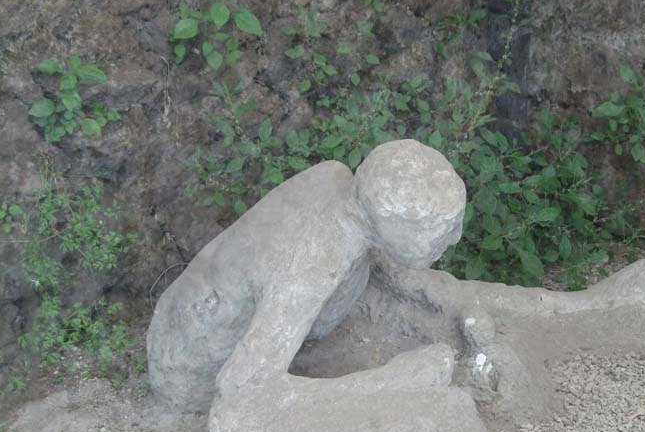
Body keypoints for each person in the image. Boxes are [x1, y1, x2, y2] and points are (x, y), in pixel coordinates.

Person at [146, 139, 466, 411]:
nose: (455, 237)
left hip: (180, 307)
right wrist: (396, 380)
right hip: (190, 369)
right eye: (441, 229)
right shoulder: (310, 268)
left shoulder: (336, 176)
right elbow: (242, 389)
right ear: (389, 221)